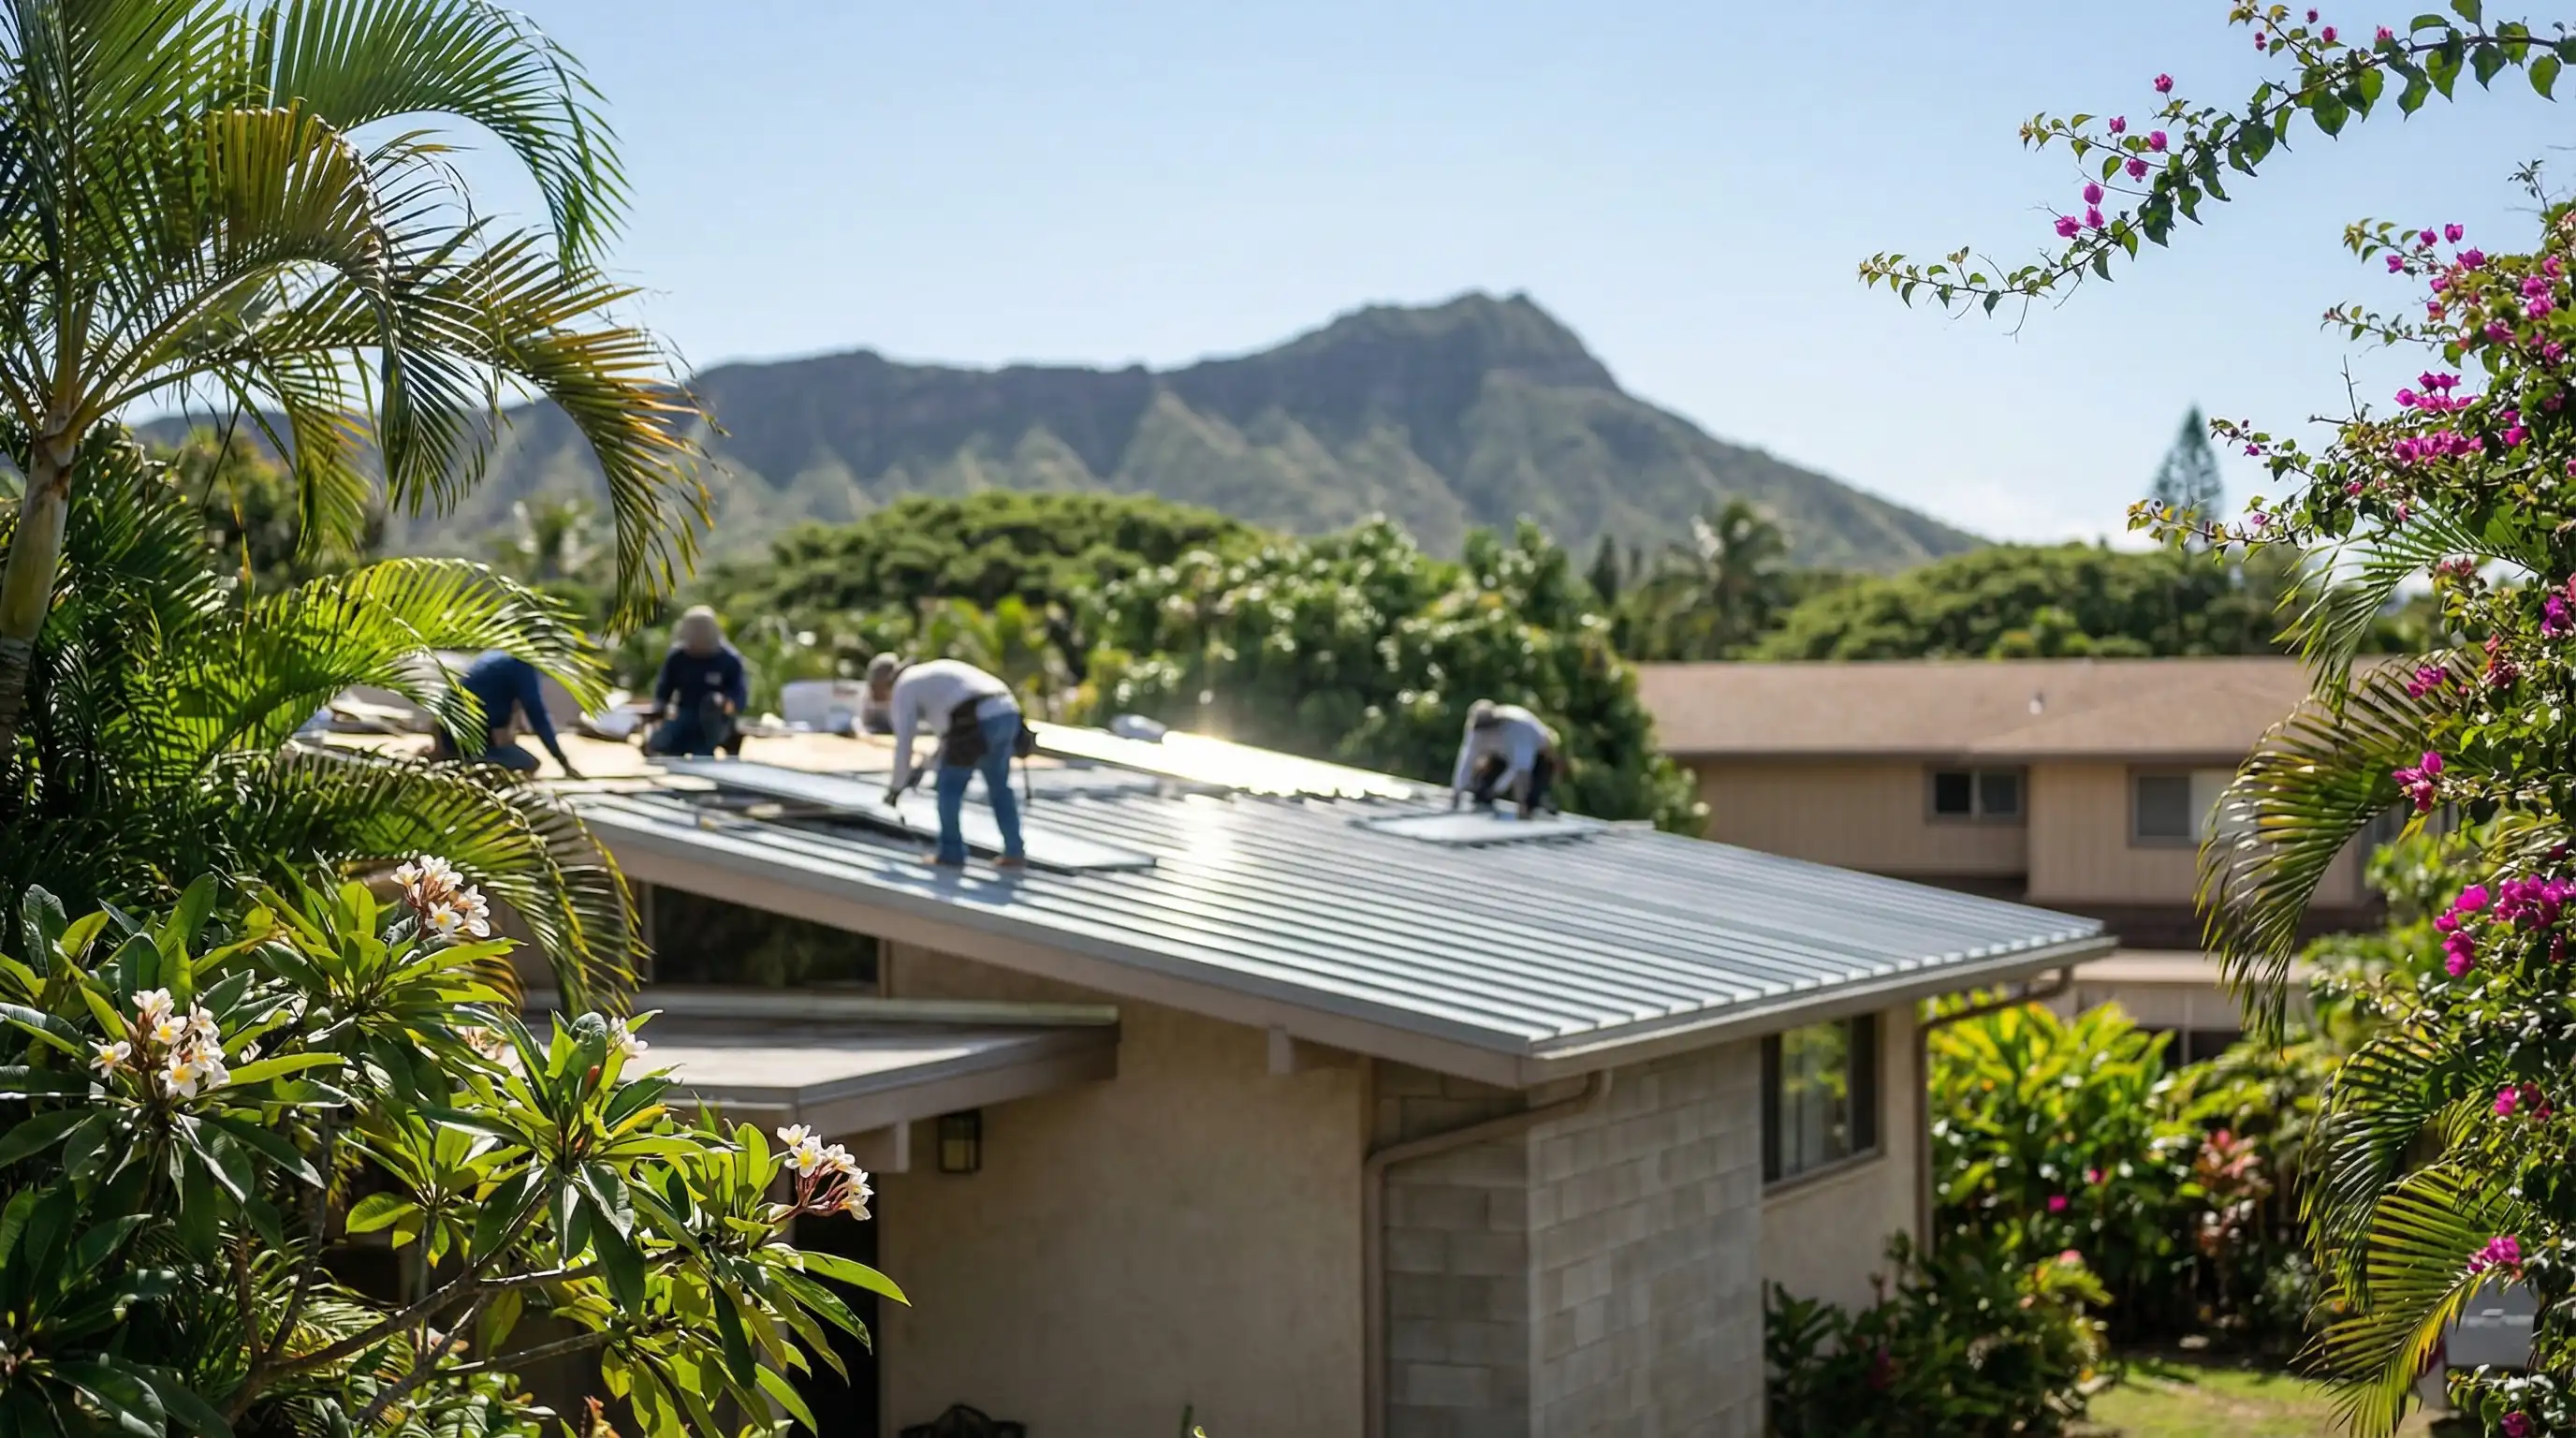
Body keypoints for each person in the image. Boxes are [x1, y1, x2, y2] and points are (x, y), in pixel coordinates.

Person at [868, 653, 1027, 870]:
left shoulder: (904, 687)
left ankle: (951, 853)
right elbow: (948, 738)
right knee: (999, 786)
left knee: (949, 787)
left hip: (977, 719)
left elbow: (904, 744)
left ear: (882, 683)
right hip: (1007, 712)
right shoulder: (929, 675)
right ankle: (1014, 851)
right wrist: (924, 767)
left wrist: (895, 788)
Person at [432, 650, 582, 778]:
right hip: (467, 736)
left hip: (449, 729)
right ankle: (456, 763)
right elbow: (537, 715)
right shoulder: (521, 666)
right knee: (527, 764)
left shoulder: (495, 656)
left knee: (515, 756)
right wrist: (563, 762)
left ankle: (448, 756)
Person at [644, 606, 749, 757]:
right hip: (685, 712)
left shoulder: (729, 659)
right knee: (663, 741)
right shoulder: (678, 657)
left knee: (711, 706)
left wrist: (728, 704)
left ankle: (704, 751)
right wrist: (660, 710)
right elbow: (664, 688)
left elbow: (738, 693)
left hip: (717, 719)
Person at [1450, 699, 1559, 819]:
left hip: (1537, 755)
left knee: (1528, 795)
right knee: (1482, 792)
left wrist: (1498, 788)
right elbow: (1466, 760)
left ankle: (1535, 806)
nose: (1484, 735)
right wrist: (1457, 792)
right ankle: (1484, 800)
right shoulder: (1476, 730)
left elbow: (1521, 768)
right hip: (1500, 755)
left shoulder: (1517, 728)